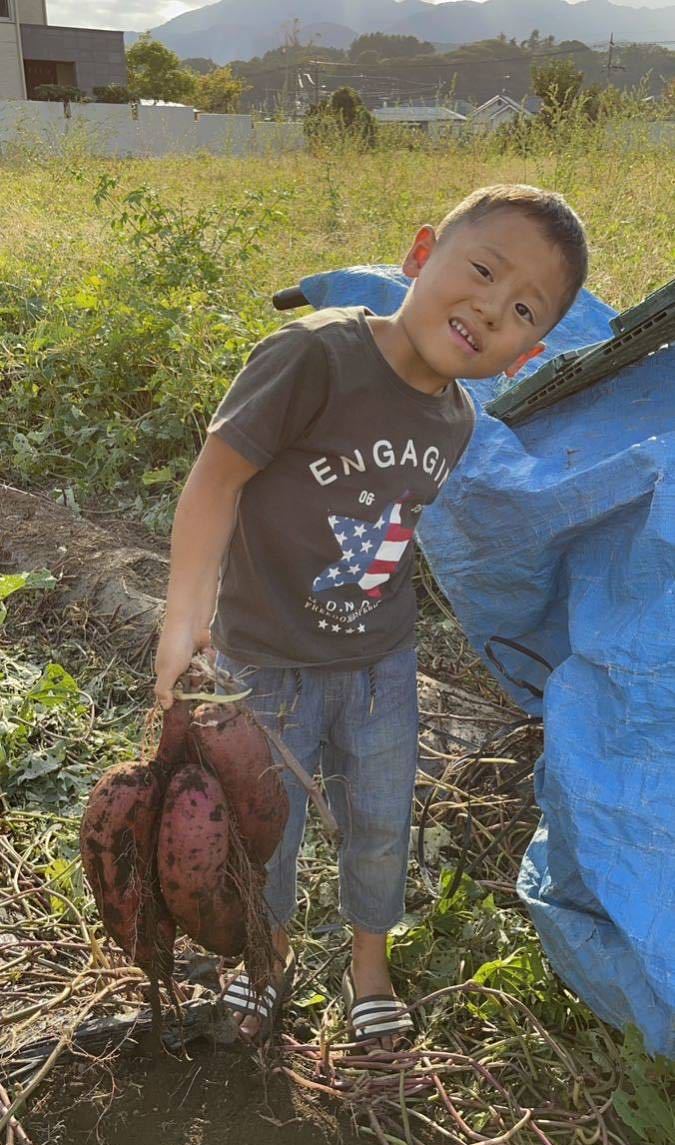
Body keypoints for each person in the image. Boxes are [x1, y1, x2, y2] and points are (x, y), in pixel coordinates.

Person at [154, 183, 588, 1046]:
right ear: (421, 254)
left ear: (522, 357)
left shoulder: (456, 418)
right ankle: (262, 960)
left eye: (520, 310)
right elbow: (217, 477)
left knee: (381, 823)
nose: (488, 307)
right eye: (481, 269)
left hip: (380, 663)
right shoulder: (315, 356)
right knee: (261, 830)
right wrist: (183, 616)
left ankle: (367, 966)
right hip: (264, 662)